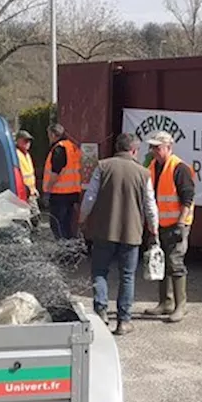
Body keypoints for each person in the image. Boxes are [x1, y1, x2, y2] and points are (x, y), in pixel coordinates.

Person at [79, 132, 159, 336]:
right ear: (133, 150)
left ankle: (101, 312)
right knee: (127, 276)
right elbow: (150, 205)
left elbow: (90, 197)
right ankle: (124, 321)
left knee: (99, 271)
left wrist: (82, 218)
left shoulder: (103, 166)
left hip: (104, 230)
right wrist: (154, 228)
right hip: (131, 232)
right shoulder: (143, 173)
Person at [142, 130, 197, 323]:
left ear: (168, 147)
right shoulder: (152, 167)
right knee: (161, 262)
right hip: (160, 224)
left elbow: (187, 198)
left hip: (177, 224)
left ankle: (180, 305)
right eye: (152, 147)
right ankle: (165, 302)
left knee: (175, 262)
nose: (154, 151)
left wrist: (181, 223)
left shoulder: (180, 168)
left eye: (157, 147)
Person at [43, 123, 83, 240]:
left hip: (59, 193)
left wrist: (48, 191)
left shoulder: (59, 149)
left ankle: (63, 253)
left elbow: (56, 173)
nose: (49, 138)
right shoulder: (73, 147)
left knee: (57, 224)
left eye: (49, 135)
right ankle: (69, 253)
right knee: (66, 224)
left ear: (53, 134)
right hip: (72, 193)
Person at [15, 129, 41, 224]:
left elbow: (30, 175)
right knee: (32, 217)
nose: (28, 143)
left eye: (29, 141)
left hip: (30, 192)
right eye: (25, 140)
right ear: (18, 140)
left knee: (35, 217)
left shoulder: (27, 154)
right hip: (23, 192)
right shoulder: (16, 154)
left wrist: (34, 189)